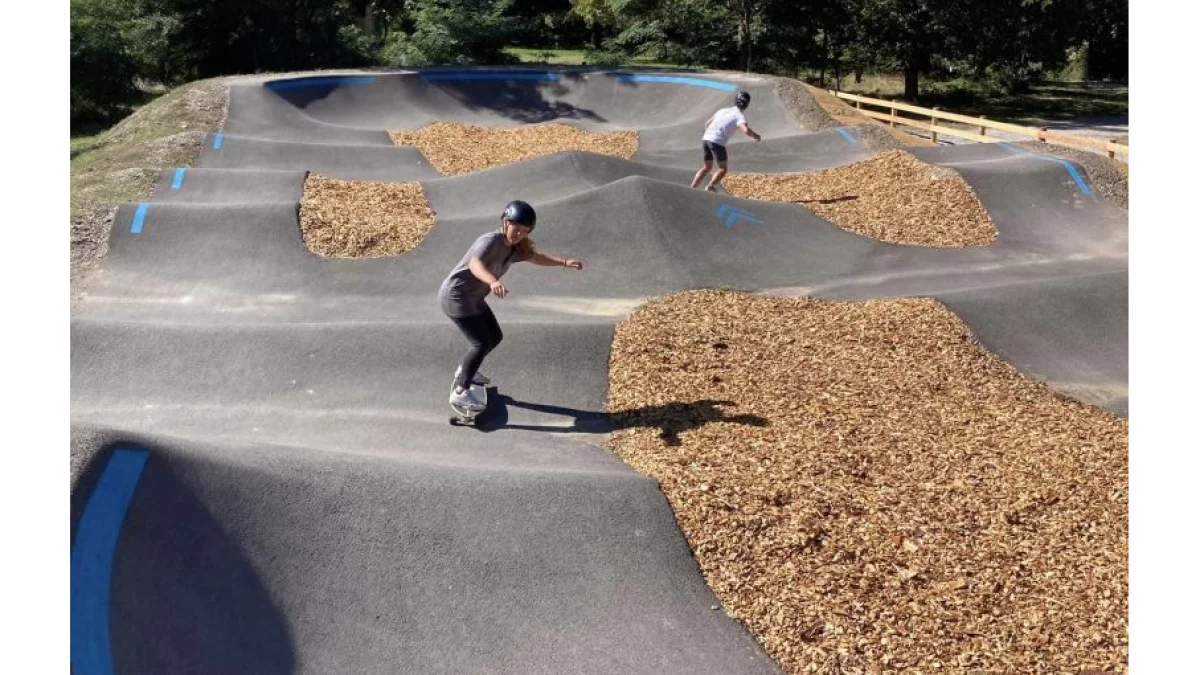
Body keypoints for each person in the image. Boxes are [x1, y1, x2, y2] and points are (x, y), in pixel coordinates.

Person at [438, 200, 584, 412]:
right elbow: (474, 263)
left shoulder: (516, 248)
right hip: (456, 297)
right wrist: (493, 281)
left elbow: (537, 258)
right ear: (505, 223)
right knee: (480, 343)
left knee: (494, 337)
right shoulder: (489, 241)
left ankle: (465, 370)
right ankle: (461, 392)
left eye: (525, 231)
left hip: (474, 298)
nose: (519, 234)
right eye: (516, 228)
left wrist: (563, 262)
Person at [689, 90, 762, 192]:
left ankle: (692, 188)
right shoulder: (739, 116)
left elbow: (707, 123)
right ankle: (710, 186)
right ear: (746, 105)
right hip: (717, 141)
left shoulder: (722, 110)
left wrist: (709, 136)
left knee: (707, 167)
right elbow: (745, 130)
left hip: (706, 139)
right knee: (723, 169)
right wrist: (756, 136)